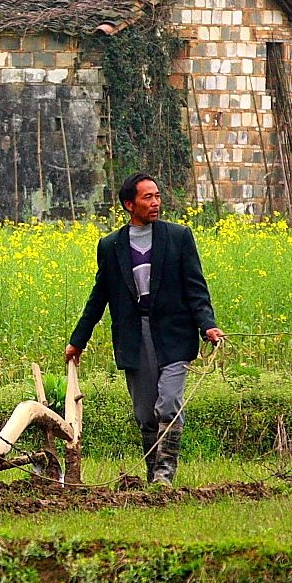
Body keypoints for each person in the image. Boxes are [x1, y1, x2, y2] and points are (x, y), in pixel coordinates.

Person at [65, 172, 224, 485]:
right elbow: (99, 297)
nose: (155, 203)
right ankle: (153, 472)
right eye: (147, 197)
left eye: (157, 196)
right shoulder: (111, 246)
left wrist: (208, 326)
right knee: (145, 413)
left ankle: (165, 473)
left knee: (169, 403)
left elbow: (196, 289)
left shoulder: (178, 237)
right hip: (135, 337)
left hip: (175, 334)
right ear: (129, 204)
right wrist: (78, 341)